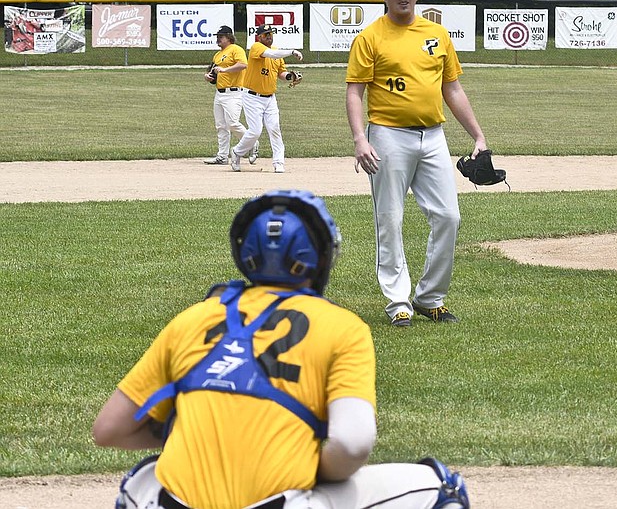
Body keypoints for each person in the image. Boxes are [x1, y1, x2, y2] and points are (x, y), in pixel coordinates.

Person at [91, 189, 471, 509]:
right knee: (443, 488)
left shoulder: (194, 318)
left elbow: (109, 429)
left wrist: (199, 432)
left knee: (142, 479)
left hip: (179, 504)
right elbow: (353, 445)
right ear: (319, 259)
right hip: (279, 503)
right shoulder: (342, 326)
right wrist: (308, 465)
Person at [346, 0, 489, 328]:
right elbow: (355, 91)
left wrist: (478, 135)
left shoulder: (436, 34)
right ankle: (398, 302)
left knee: (449, 217)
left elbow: (452, 88)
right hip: (388, 136)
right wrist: (360, 138)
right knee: (390, 219)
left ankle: (429, 297)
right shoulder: (370, 37)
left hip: (433, 136)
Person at [230, 24, 302, 174]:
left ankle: (278, 162)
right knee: (255, 131)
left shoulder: (276, 52)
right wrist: (292, 51)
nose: (269, 36)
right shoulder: (256, 47)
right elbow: (270, 55)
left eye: (270, 34)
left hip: (270, 98)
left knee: (275, 128)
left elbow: (281, 73)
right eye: (265, 34)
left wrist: (290, 77)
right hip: (252, 96)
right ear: (259, 37)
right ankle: (237, 152)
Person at [203, 25, 259, 166]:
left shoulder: (236, 49)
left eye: (220, 37)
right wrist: (209, 77)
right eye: (217, 37)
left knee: (232, 123)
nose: (218, 39)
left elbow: (243, 65)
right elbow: (214, 73)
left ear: (229, 37)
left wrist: (224, 69)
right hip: (219, 93)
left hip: (234, 92)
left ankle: (252, 142)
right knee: (221, 126)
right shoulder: (217, 54)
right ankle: (222, 156)